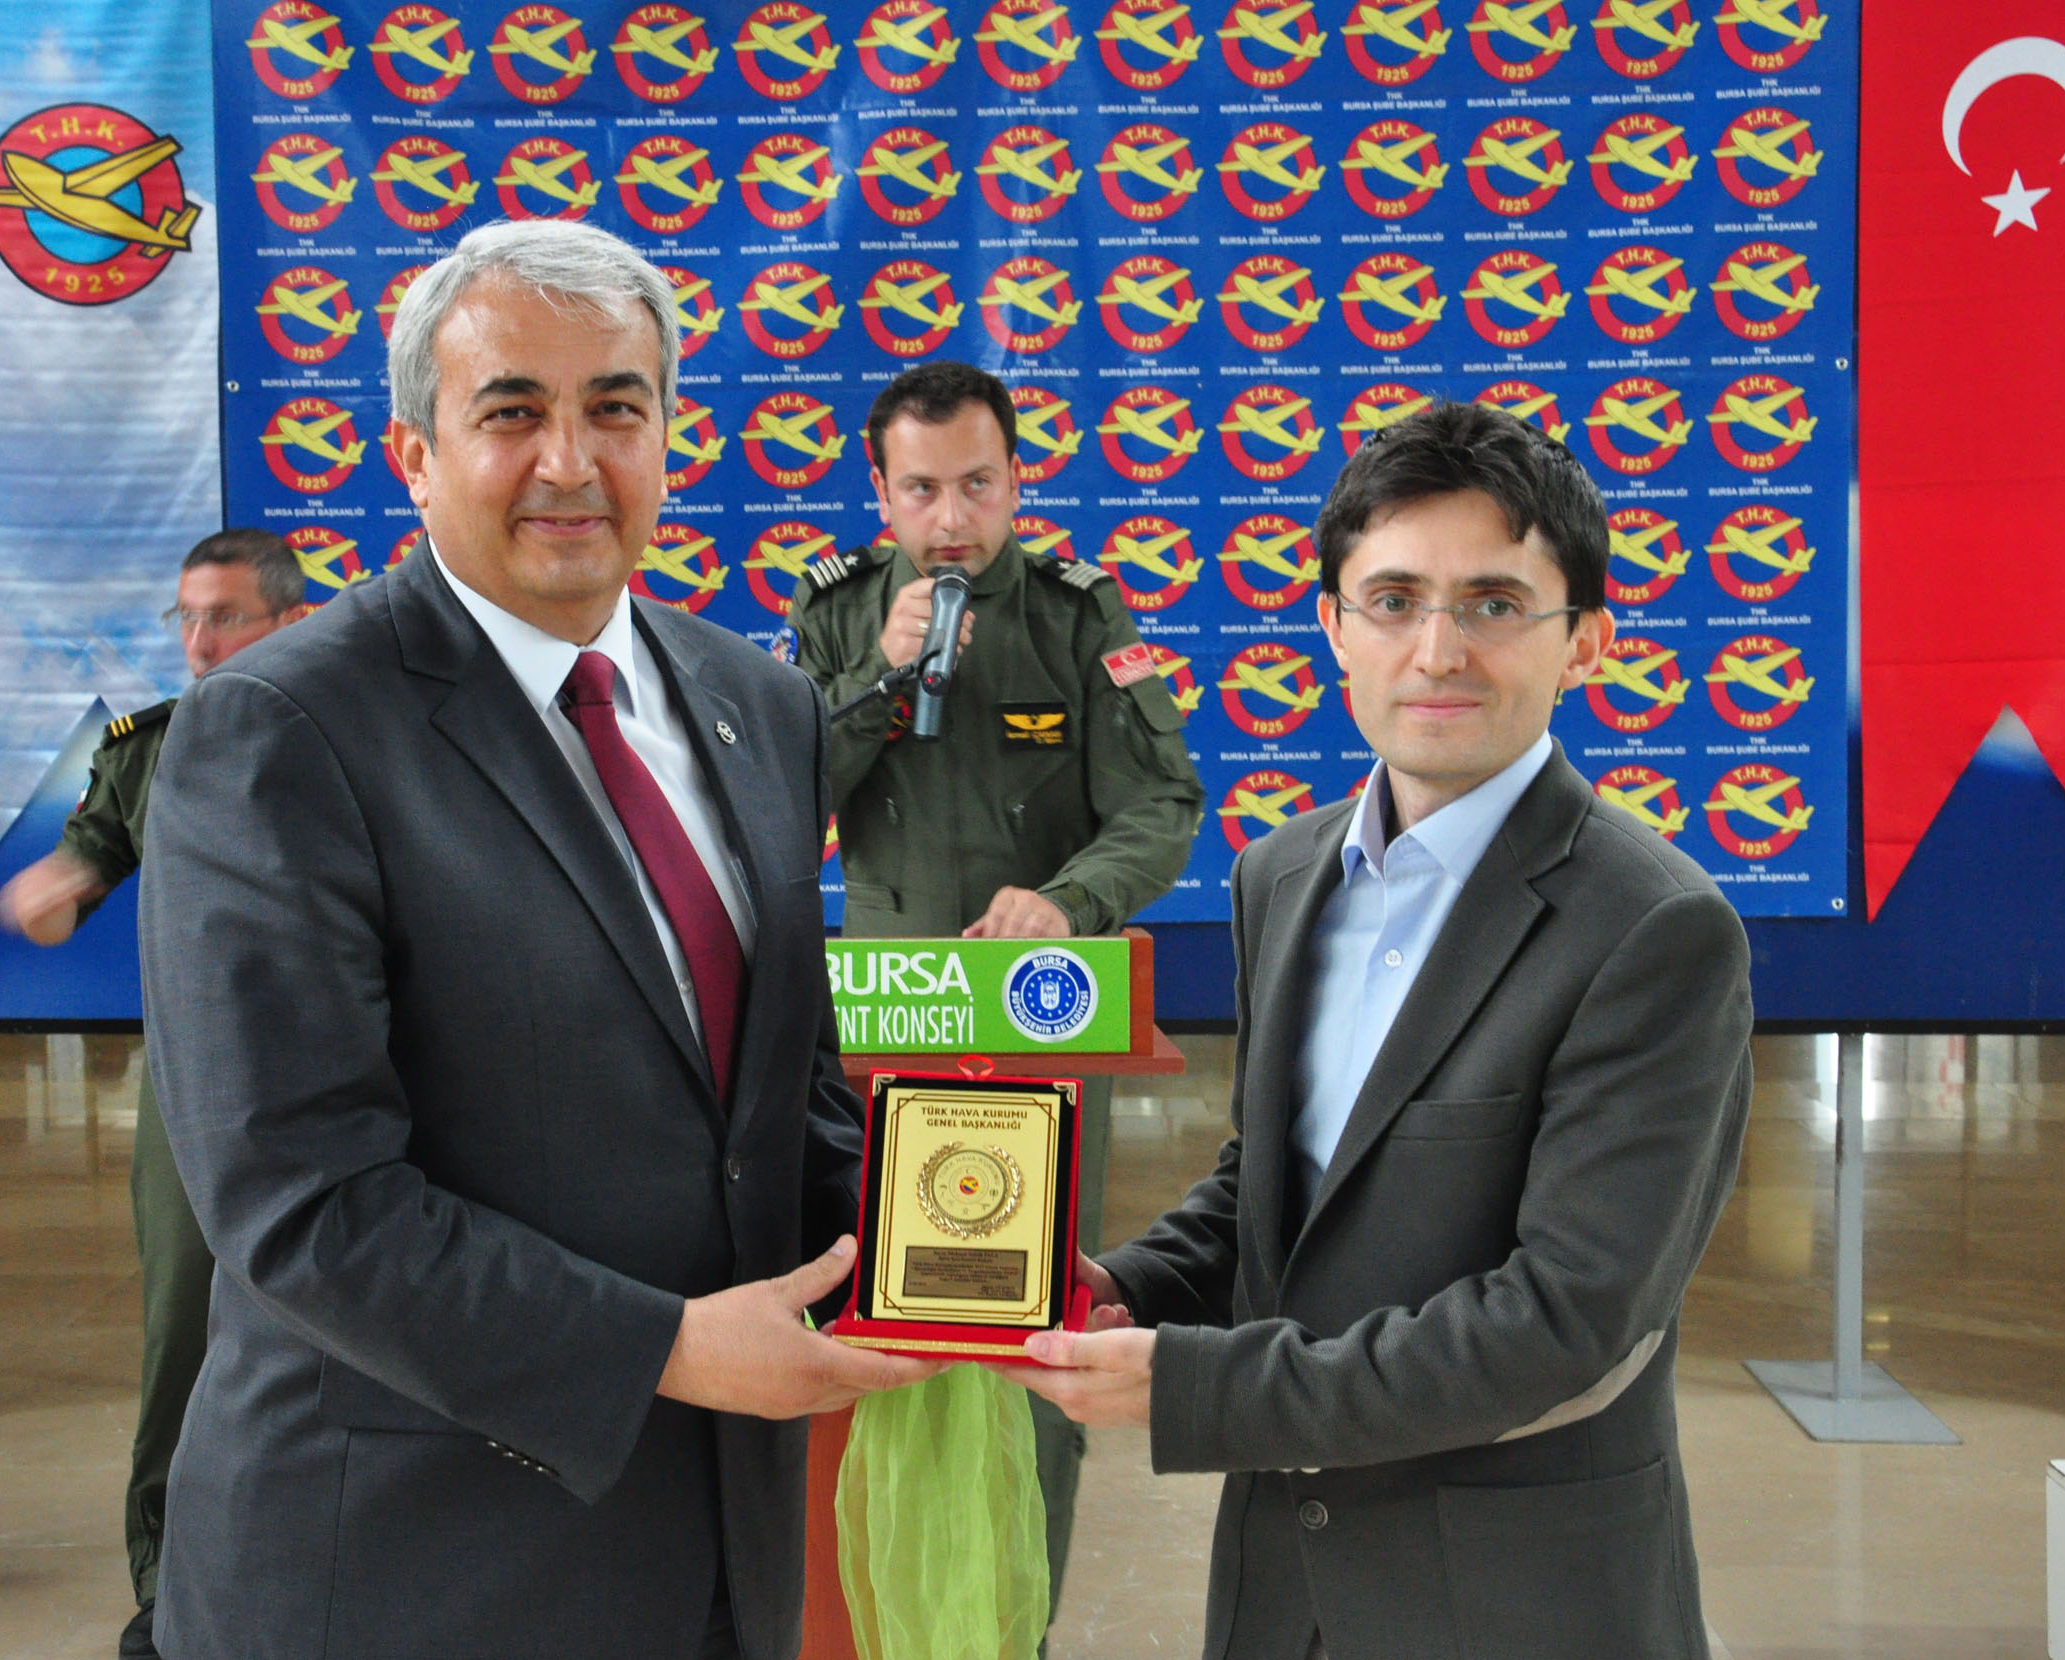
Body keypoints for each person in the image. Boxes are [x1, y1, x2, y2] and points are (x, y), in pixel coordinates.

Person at [135, 216, 935, 1660]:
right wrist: (669, 1349)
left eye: (615, 409)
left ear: (669, 438)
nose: (570, 462)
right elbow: (300, 1200)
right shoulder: (282, 731)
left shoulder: (760, 707)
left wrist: (962, 1250)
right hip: (411, 1571)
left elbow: (779, 1099)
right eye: (511, 412)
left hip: (717, 1556)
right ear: (415, 455)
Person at [1004, 402, 1754, 1660]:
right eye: (1394, 599)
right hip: (1280, 1592)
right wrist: (1117, 1287)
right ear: (1333, 627)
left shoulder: (1653, 930)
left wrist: (1195, 1388)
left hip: (1515, 1605)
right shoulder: (1279, 876)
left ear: (1585, 643)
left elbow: (1565, 1321)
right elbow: (1275, 1185)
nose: (1437, 650)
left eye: (1494, 603)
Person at [787, 359, 1202, 1617]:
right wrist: (878, 680)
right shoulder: (838, 614)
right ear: (881, 494)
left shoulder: (1079, 615)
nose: (952, 518)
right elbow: (779, 799)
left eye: (977, 484)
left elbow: (1161, 804)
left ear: (1017, 479)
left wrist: (1065, 901)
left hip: (1035, 1024)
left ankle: (1011, 1622)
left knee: (1028, 1342)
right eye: (921, 490)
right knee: (874, 1330)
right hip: (879, 1031)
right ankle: (879, 1617)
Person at [0, 527, 310, 1660]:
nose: (199, 640)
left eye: (224, 617)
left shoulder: (361, 736)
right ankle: (169, 1582)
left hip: (349, 1080)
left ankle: (328, 1570)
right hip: (197, 1090)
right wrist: (59, 890)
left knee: (349, 1330)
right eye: (187, 617)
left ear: (292, 623)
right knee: (184, 1333)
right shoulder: (146, 749)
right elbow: (87, 860)